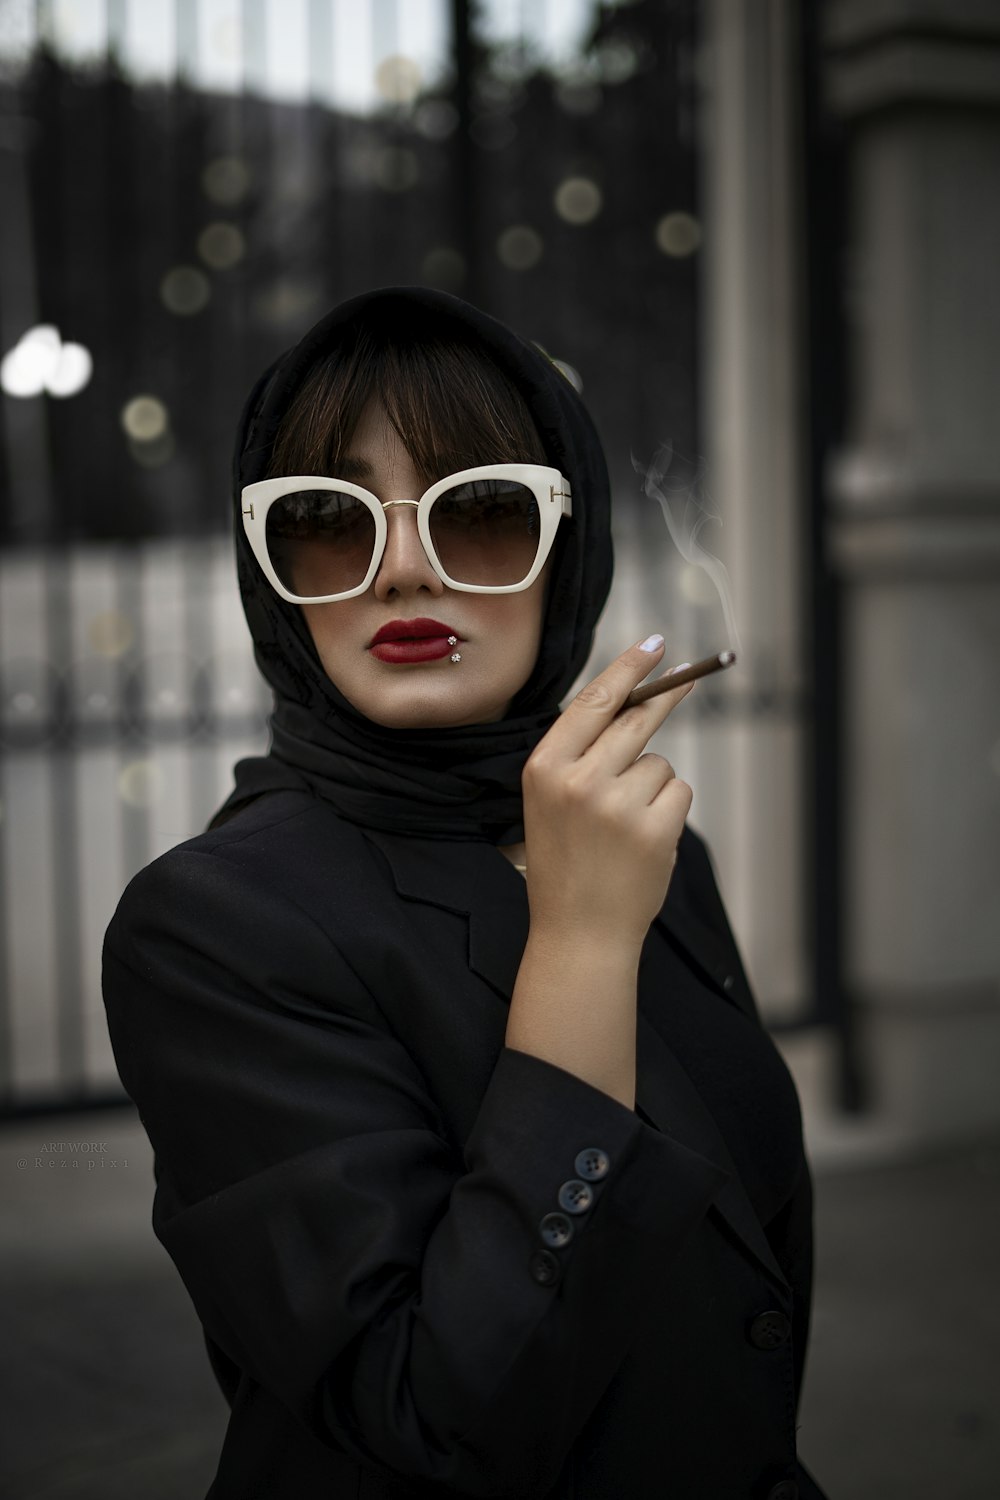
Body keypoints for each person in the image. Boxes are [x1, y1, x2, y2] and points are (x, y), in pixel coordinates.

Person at [102, 286, 828, 1500]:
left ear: (571, 542)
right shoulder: (213, 928)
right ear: (271, 564)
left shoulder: (635, 840)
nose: (399, 570)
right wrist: (582, 952)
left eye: (482, 511)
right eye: (329, 520)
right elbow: (440, 1418)